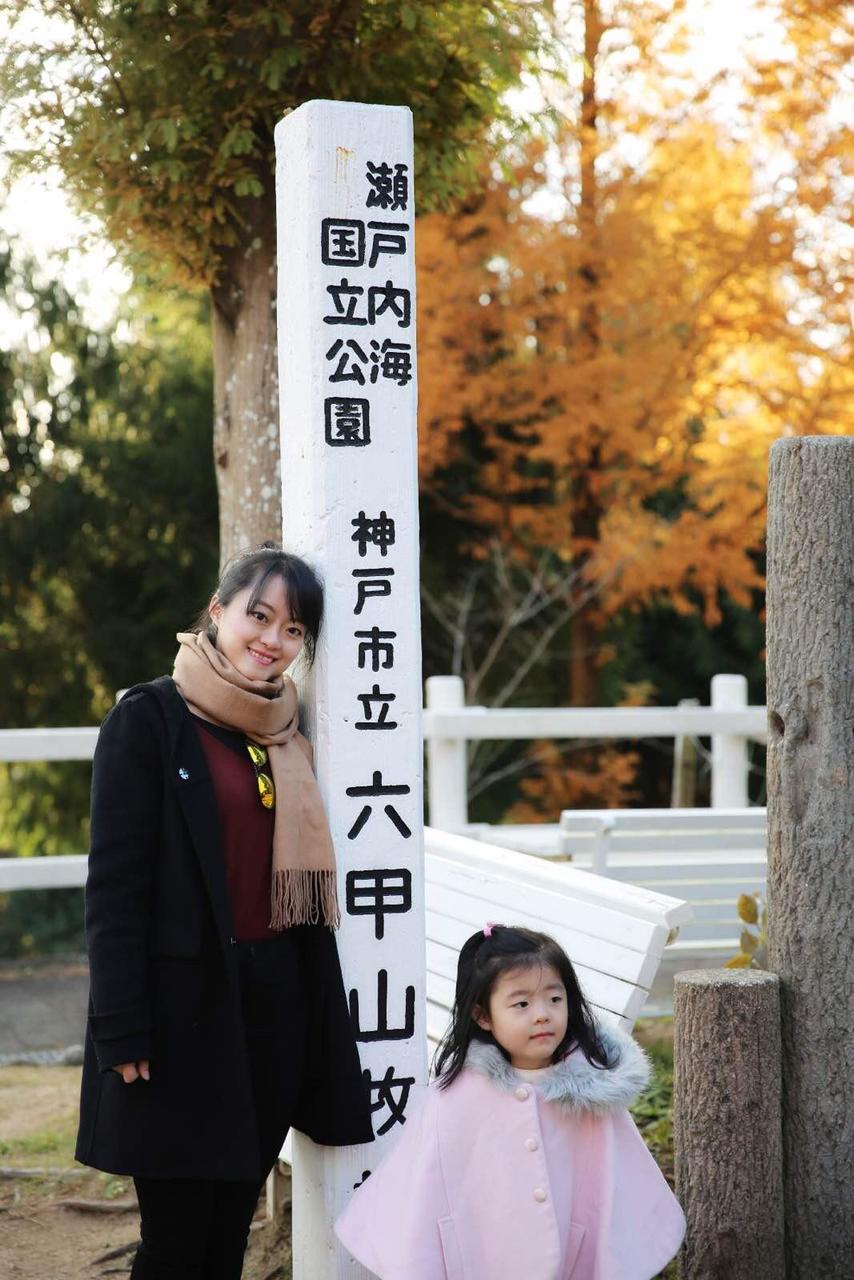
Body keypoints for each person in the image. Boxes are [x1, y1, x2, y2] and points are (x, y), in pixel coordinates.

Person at [76, 544, 373, 1280]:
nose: (272, 641)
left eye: (295, 630)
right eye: (259, 616)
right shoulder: (148, 720)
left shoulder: (285, 737)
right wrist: (122, 1026)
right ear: (219, 611)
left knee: (227, 1235)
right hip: (179, 1016)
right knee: (176, 1240)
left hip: (272, 1013)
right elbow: (115, 886)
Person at [335, 924, 686, 1280]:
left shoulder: (591, 1094)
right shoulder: (456, 1098)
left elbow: (616, 1191)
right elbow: (420, 1194)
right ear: (483, 1015)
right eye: (521, 1003)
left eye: (554, 998)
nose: (542, 1014)